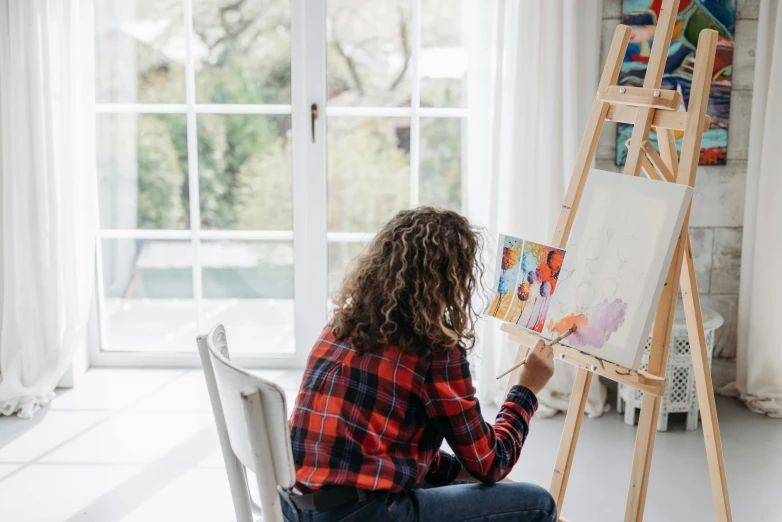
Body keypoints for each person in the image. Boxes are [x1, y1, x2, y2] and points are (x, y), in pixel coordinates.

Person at [280, 207, 557, 522]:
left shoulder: (340, 326)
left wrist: (458, 473)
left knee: (459, 482)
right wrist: (527, 388)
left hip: (294, 508)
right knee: (538, 504)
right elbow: (492, 462)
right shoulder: (434, 350)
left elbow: (387, 449)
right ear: (451, 280)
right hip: (361, 514)